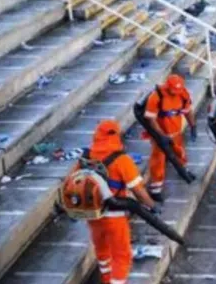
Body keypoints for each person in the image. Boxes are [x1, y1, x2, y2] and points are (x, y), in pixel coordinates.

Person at [82, 119, 157, 284]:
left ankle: (106, 279)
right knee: (122, 255)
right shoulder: (121, 160)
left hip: (93, 214)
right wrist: (152, 206)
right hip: (114, 215)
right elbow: (138, 191)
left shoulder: (87, 156)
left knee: (103, 252)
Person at [142, 74, 195, 202]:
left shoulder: (183, 94)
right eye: (173, 91)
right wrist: (161, 135)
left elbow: (187, 111)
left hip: (176, 132)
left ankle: (182, 169)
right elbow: (151, 119)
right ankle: (156, 188)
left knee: (179, 151)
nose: (175, 93)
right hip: (159, 133)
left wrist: (193, 126)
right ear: (167, 86)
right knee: (158, 159)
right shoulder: (156, 97)